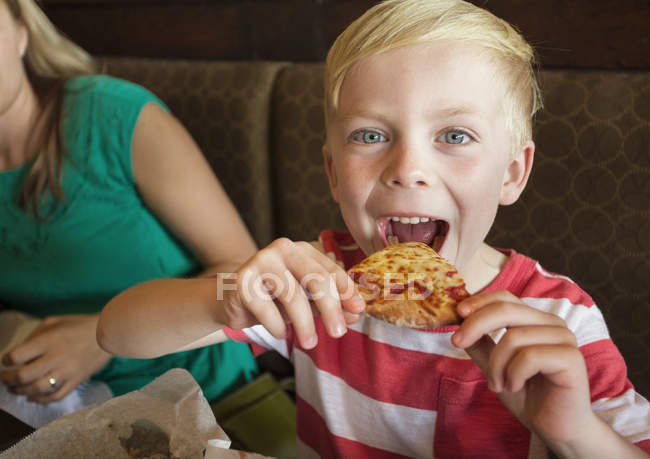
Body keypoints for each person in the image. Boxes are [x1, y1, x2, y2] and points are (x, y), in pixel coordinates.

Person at [97, 0, 650, 457]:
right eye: (369, 135)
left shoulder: (560, 318)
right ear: (334, 174)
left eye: (454, 136)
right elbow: (116, 332)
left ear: (512, 173)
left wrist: (574, 432)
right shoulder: (316, 281)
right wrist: (223, 302)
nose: (407, 168)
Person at [0, 0, 258, 427]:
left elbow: (244, 274)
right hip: (63, 417)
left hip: (210, 402)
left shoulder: (114, 116)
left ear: (23, 31)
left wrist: (100, 339)